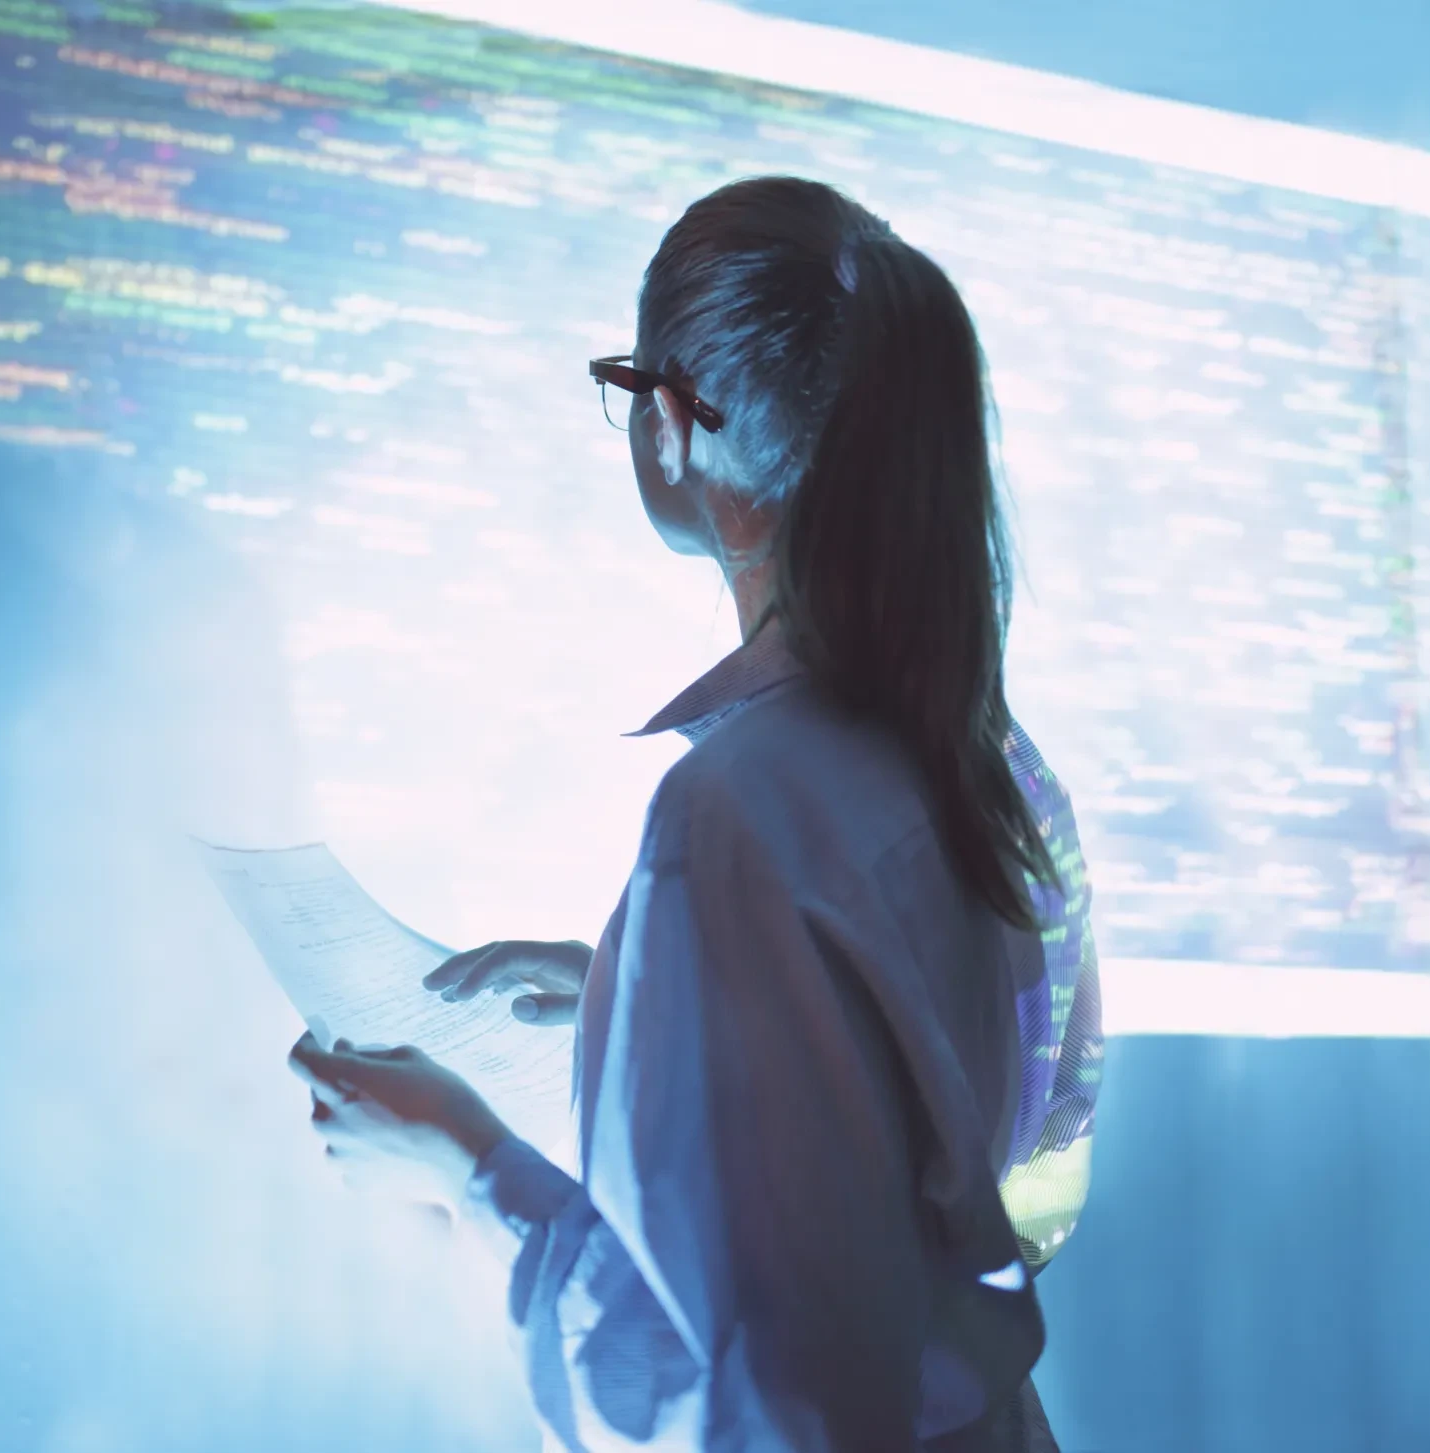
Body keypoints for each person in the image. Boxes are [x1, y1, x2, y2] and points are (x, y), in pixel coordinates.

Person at [286, 176, 1101, 1452]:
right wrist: (642, 990)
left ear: (668, 426)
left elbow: (730, 1407)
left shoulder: (731, 823)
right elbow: (1015, 1184)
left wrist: (467, 1167)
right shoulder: (998, 769)